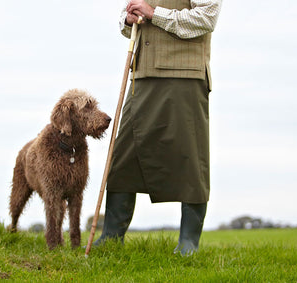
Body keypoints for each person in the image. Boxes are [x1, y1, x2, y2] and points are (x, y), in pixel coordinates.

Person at [95, 0, 222, 255]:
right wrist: (128, 19)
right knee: (123, 156)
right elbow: (128, 19)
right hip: (141, 75)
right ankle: (111, 237)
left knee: (190, 159)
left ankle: (188, 243)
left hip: (185, 76)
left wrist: (153, 14)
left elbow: (207, 17)